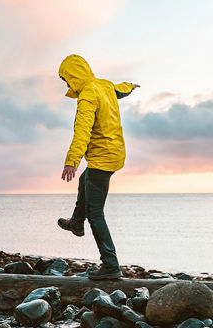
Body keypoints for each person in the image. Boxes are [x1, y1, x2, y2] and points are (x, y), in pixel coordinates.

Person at [57, 54, 140, 280]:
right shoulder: (102, 85)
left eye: (66, 80)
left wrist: (71, 160)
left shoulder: (87, 96)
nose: (67, 85)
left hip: (103, 158)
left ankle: (111, 265)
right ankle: (76, 222)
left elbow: (82, 131)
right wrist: (131, 86)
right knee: (86, 179)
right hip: (115, 153)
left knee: (95, 213)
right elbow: (118, 89)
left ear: (74, 77)